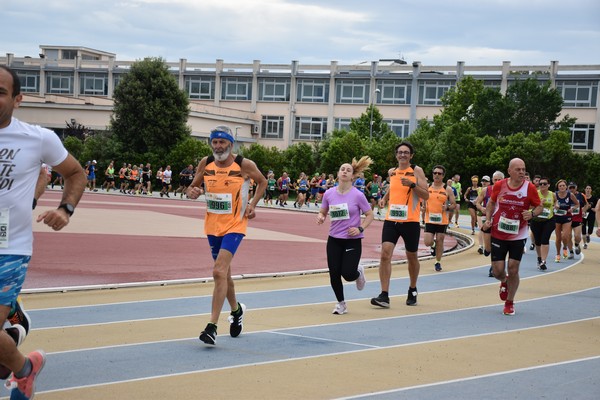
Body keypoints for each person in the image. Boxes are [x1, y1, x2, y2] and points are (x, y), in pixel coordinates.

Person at [0, 65, 87, 399]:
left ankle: (22, 362)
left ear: (18, 99)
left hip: (9, 248)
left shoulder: (37, 138)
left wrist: (65, 209)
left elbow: (75, 173)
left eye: (1, 92)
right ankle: (25, 368)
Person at [187, 125, 266, 345]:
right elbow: (192, 187)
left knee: (218, 271)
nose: (218, 146)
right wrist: (192, 192)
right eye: (215, 142)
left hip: (235, 225)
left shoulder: (244, 164)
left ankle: (212, 326)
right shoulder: (206, 163)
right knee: (224, 276)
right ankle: (237, 310)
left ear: (231, 144)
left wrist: (251, 204)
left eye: (223, 142)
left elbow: (263, 182)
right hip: (212, 226)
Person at [371, 141, 429, 308]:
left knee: (412, 257)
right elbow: (394, 187)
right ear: (396, 155)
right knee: (385, 254)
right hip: (392, 220)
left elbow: (425, 195)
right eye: (400, 152)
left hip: (410, 221)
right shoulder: (392, 172)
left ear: (411, 155)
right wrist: (384, 198)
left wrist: (412, 184)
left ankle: (412, 288)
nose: (402, 155)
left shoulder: (416, 171)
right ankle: (384, 295)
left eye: (406, 152)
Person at [483, 158, 542, 316]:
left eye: (523, 169)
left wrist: (532, 213)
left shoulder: (529, 188)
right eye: (518, 169)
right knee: (497, 271)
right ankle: (504, 280)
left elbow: (539, 206)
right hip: (498, 232)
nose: (522, 172)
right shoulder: (499, 185)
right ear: (509, 171)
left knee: (513, 268)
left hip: (518, 234)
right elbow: (491, 204)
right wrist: (488, 219)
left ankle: (509, 303)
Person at [316, 156, 375, 314]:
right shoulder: (329, 193)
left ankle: (358, 272)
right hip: (334, 239)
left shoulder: (358, 195)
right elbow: (323, 211)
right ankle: (341, 303)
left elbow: (370, 215)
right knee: (334, 273)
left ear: (352, 176)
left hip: (352, 240)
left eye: (348, 170)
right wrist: (321, 217)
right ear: (338, 173)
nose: (345, 171)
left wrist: (360, 229)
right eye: (342, 169)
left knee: (348, 274)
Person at [423, 165, 456, 272]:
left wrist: (447, 207)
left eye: (439, 173)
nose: (437, 175)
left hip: (442, 220)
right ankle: (433, 245)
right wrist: (423, 207)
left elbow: (454, 205)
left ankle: (438, 262)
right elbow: (423, 200)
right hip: (429, 219)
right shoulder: (427, 187)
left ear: (443, 176)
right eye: (435, 173)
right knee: (427, 241)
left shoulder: (447, 188)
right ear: (432, 174)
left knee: (440, 240)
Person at [529, 177, 556, 271]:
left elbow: (556, 202)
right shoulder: (535, 194)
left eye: (545, 184)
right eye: (541, 184)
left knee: (545, 239)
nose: (542, 185)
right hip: (536, 220)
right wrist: (539, 204)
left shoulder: (552, 194)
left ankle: (543, 261)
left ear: (548, 185)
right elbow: (529, 205)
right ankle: (539, 258)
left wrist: (557, 205)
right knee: (538, 241)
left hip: (549, 220)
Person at [553, 179, 579, 262]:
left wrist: (572, 208)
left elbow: (577, 204)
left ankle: (564, 247)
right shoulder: (554, 195)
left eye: (563, 185)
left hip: (567, 217)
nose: (562, 187)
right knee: (558, 238)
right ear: (558, 187)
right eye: (560, 186)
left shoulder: (570, 195)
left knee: (565, 236)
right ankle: (557, 254)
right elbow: (551, 204)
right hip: (557, 217)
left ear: (566, 187)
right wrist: (554, 206)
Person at [568, 182, 587, 257]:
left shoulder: (581, 195)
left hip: (578, 219)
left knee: (577, 236)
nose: (572, 189)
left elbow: (586, 205)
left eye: (573, 187)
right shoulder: (565, 195)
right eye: (570, 188)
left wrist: (584, 211)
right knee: (568, 236)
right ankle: (571, 252)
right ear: (568, 188)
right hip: (568, 219)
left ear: (576, 188)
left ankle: (576, 245)